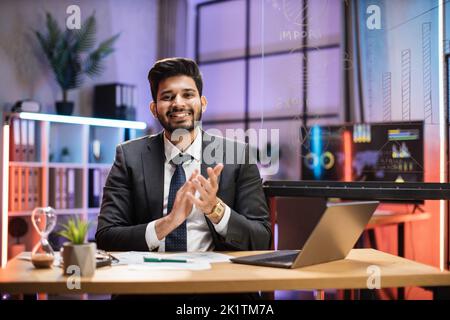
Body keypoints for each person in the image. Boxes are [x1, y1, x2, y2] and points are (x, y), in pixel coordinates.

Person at [96, 57, 271, 261]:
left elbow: (261, 238)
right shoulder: (129, 157)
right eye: (168, 97)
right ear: (154, 109)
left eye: (188, 95)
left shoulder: (238, 156)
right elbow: (106, 237)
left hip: (216, 282)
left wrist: (215, 209)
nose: (178, 103)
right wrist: (169, 222)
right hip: (149, 281)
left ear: (202, 104)